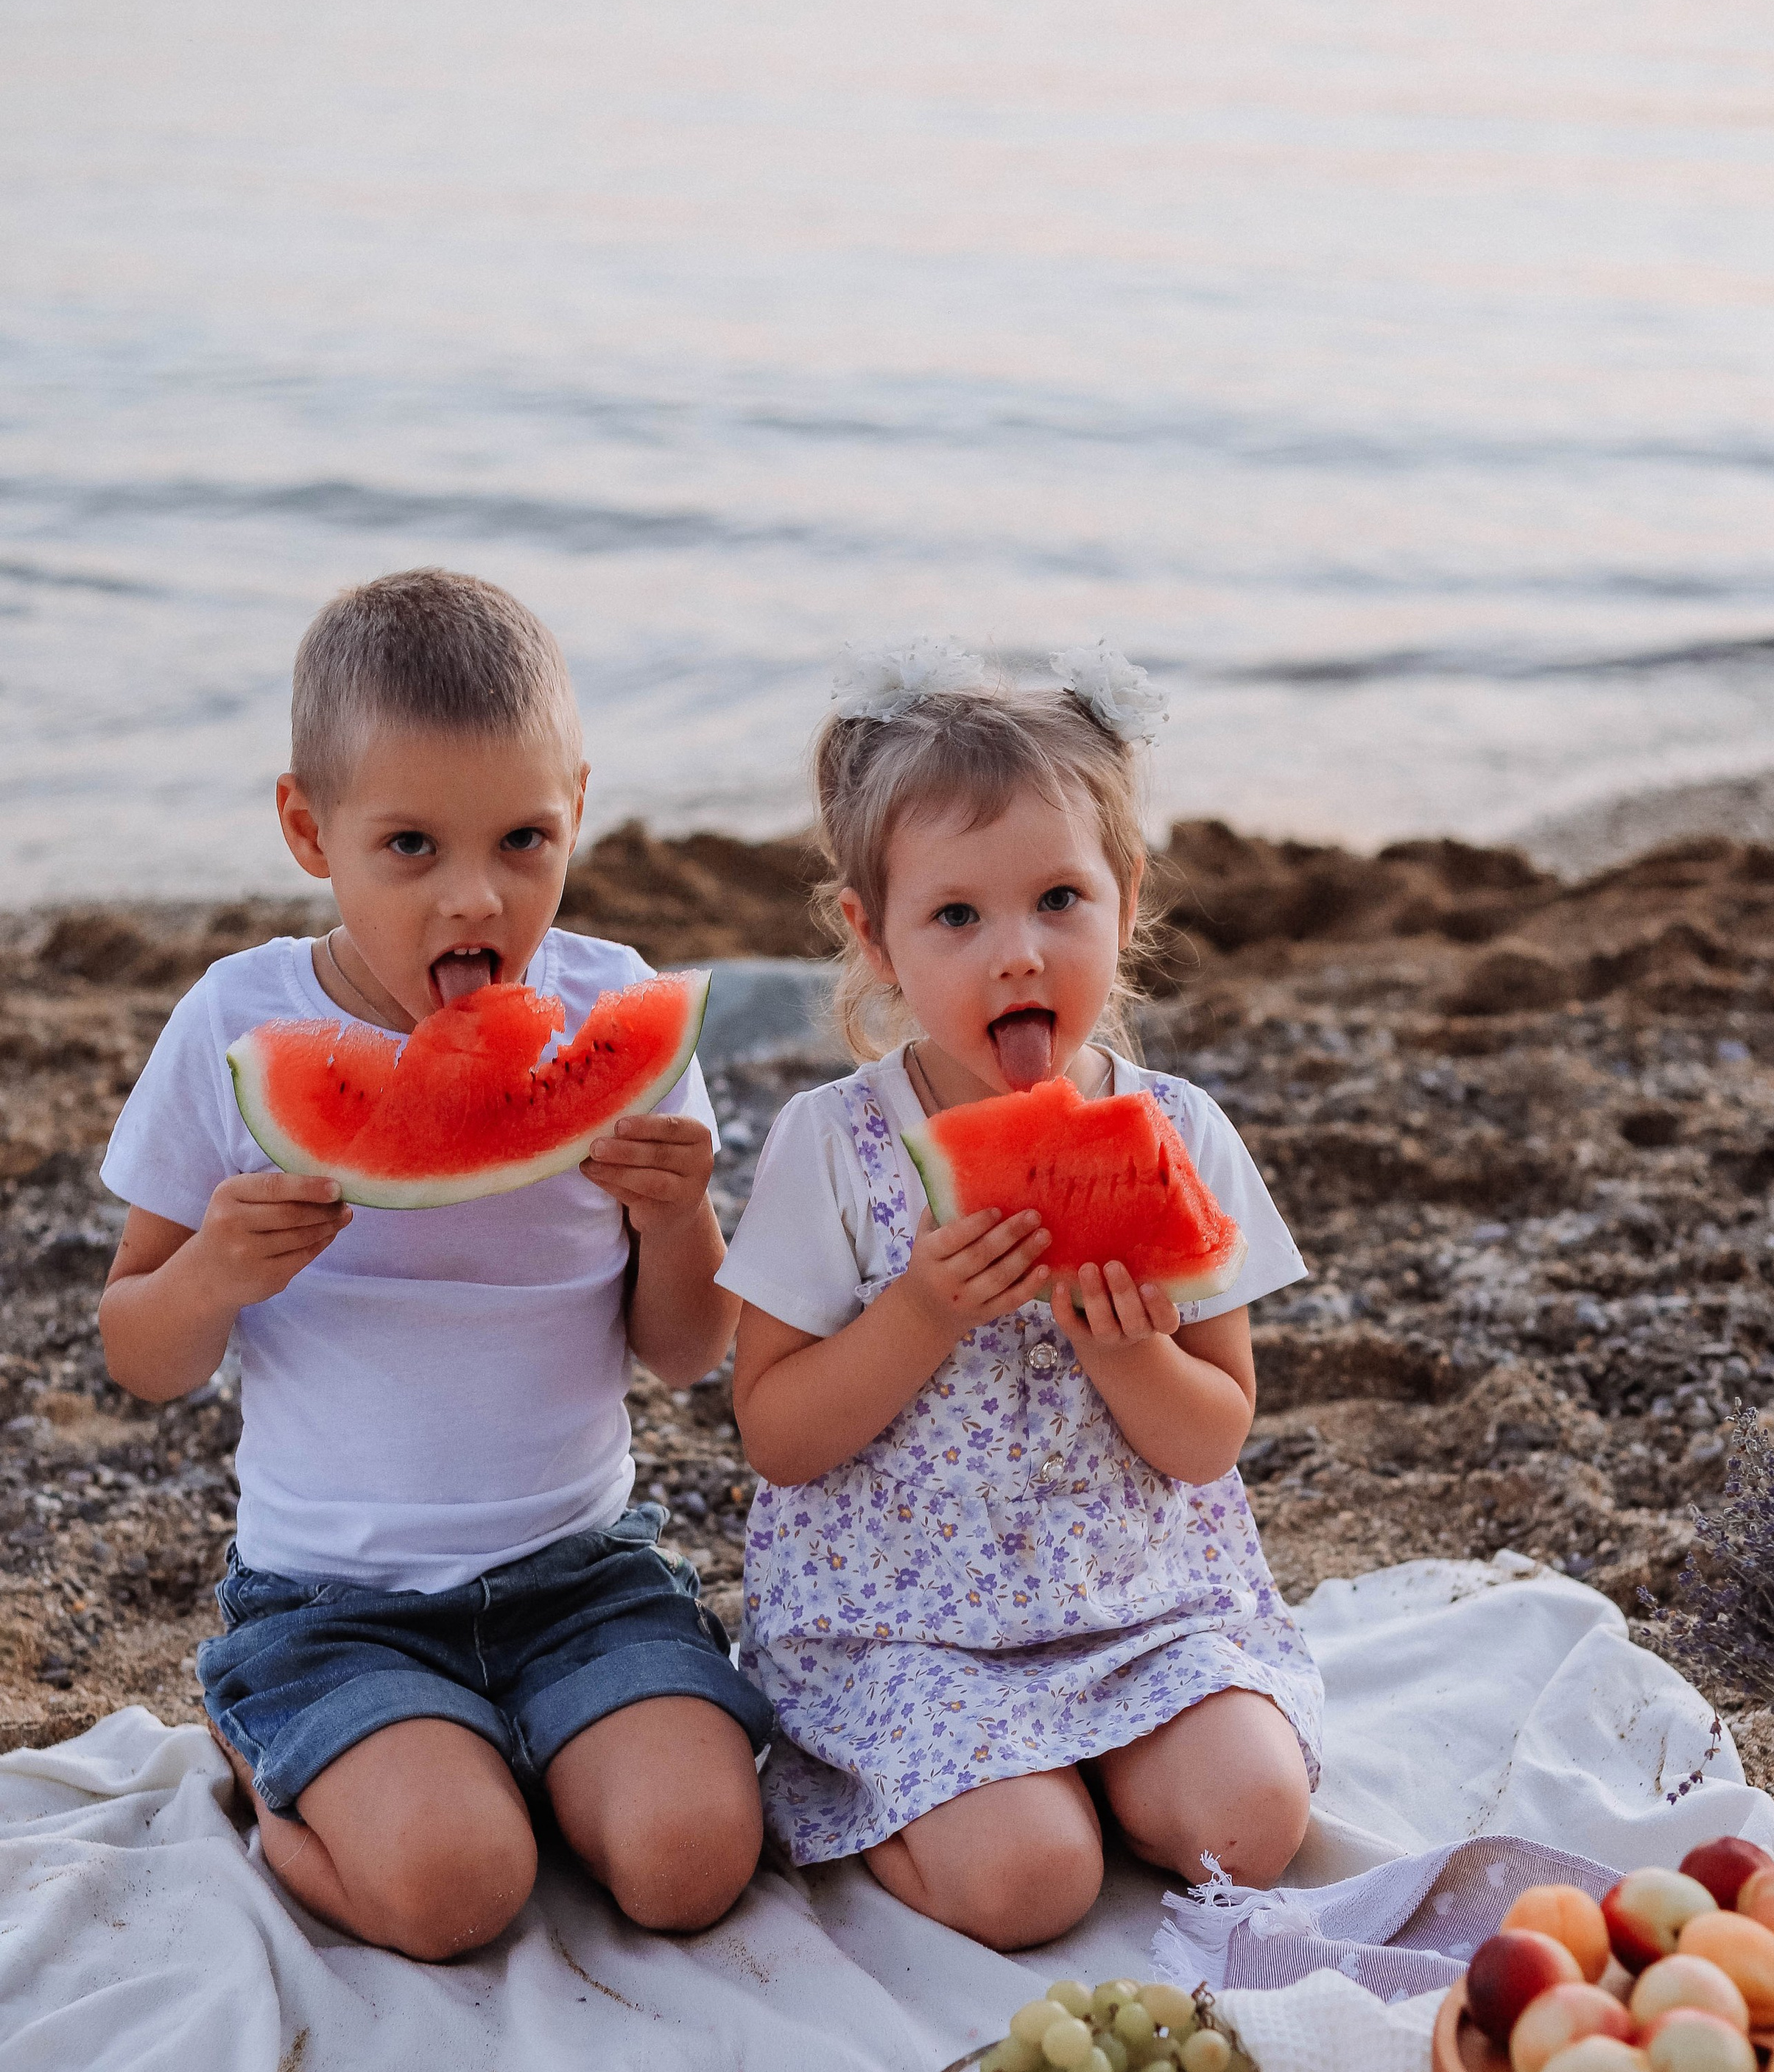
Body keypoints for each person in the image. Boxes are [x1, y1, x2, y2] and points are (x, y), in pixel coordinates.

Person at [96, 570, 771, 1961]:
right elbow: (136, 1354)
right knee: (456, 1893)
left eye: (524, 839)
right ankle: (276, 1769)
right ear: (308, 829)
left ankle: (494, 1758)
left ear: (577, 806)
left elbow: (687, 1350)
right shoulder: (237, 1027)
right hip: (334, 1609)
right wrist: (216, 1273)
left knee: (692, 1861)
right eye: (410, 846)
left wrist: (677, 1220)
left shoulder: (620, 1014)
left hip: (581, 1576)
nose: (478, 896)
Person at [719, 640, 1321, 1951]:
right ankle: (944, 1806)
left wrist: (1125, 1356)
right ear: (869, 938)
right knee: (1027, 1885)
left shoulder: (1180, 1132)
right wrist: (919, 1317)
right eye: (957, 917)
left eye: (1060, 899)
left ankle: (1088, 1776)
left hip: (1142, 1605)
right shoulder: (836, 1145)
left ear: (1127, 895)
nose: (1020, 957)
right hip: (909, 1630)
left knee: (1254, 1819)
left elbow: (1213, 1435)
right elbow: (775, 1432)